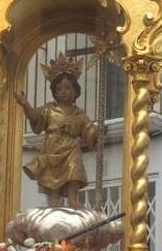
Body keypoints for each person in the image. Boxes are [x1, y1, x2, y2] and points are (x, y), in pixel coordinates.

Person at [15, 52, 99, 209]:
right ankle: (53, 206)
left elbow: (88, 130)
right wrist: (25, 104)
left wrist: (97, 132)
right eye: (59, 89)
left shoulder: (79, 114)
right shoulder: (49, 110)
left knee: (74, 172)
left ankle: (74, 201)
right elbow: (35, 118)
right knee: (53, 182)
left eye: (68, 88)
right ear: (54, 92)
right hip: (52, 148)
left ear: (75, 91)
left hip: (71, 149)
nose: (63, 92)